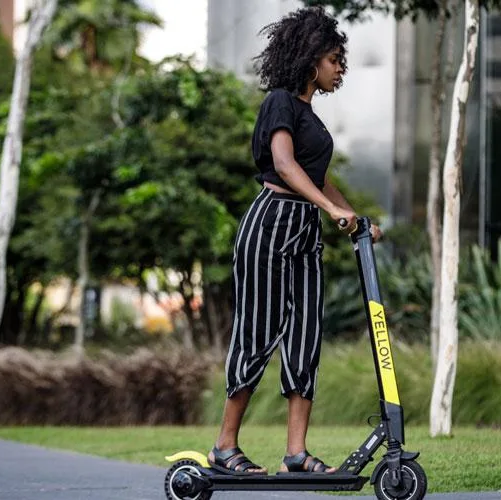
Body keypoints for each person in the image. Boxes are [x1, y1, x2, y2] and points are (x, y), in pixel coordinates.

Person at [208, 6, 382, 476]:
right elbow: (285, 166)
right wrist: (332, 211)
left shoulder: (313, 118)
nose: (340, 68)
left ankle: (296, 454)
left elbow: (320, 180)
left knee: (305, 338)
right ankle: (224, 447)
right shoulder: (281, 102)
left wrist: (357, 217)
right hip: (271, 224)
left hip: (305, 231)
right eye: (334, 59)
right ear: (311, 60)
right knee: (258, 333)